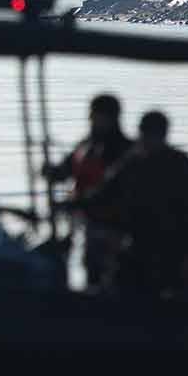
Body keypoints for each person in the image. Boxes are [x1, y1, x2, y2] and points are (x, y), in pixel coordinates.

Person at [64, 111, 188, 296]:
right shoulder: (137, 162)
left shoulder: (165, 164)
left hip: (166, 250)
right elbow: (104, 192)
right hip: (143, 246)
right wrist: (78, 203)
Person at [44, 93, 133, 289]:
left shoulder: (126, 151)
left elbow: (113, 191)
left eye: (97, 116)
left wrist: (77, 203)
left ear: (112, 118)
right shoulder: (85, 146)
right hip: (84, 226)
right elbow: (64, 172)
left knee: (110, 278)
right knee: (89, 273)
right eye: (91, 115)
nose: (92, 120)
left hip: (113, 230)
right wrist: (51, 172)